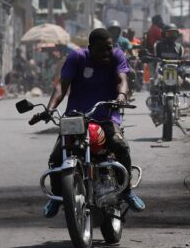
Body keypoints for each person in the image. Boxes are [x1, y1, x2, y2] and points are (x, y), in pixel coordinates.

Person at [42, 28, 144, 218]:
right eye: (101, 50)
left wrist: (121, 96)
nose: (106, 53)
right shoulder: (77, 57)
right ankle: (57, 196)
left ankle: (127, 190)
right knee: (57, 156)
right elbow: (62, 86)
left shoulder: (117, 56)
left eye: (109, 48)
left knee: (120, 145)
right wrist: (49, 109)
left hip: (107, 116)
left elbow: (123, 80)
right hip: (75, 116)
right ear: (90, 48)